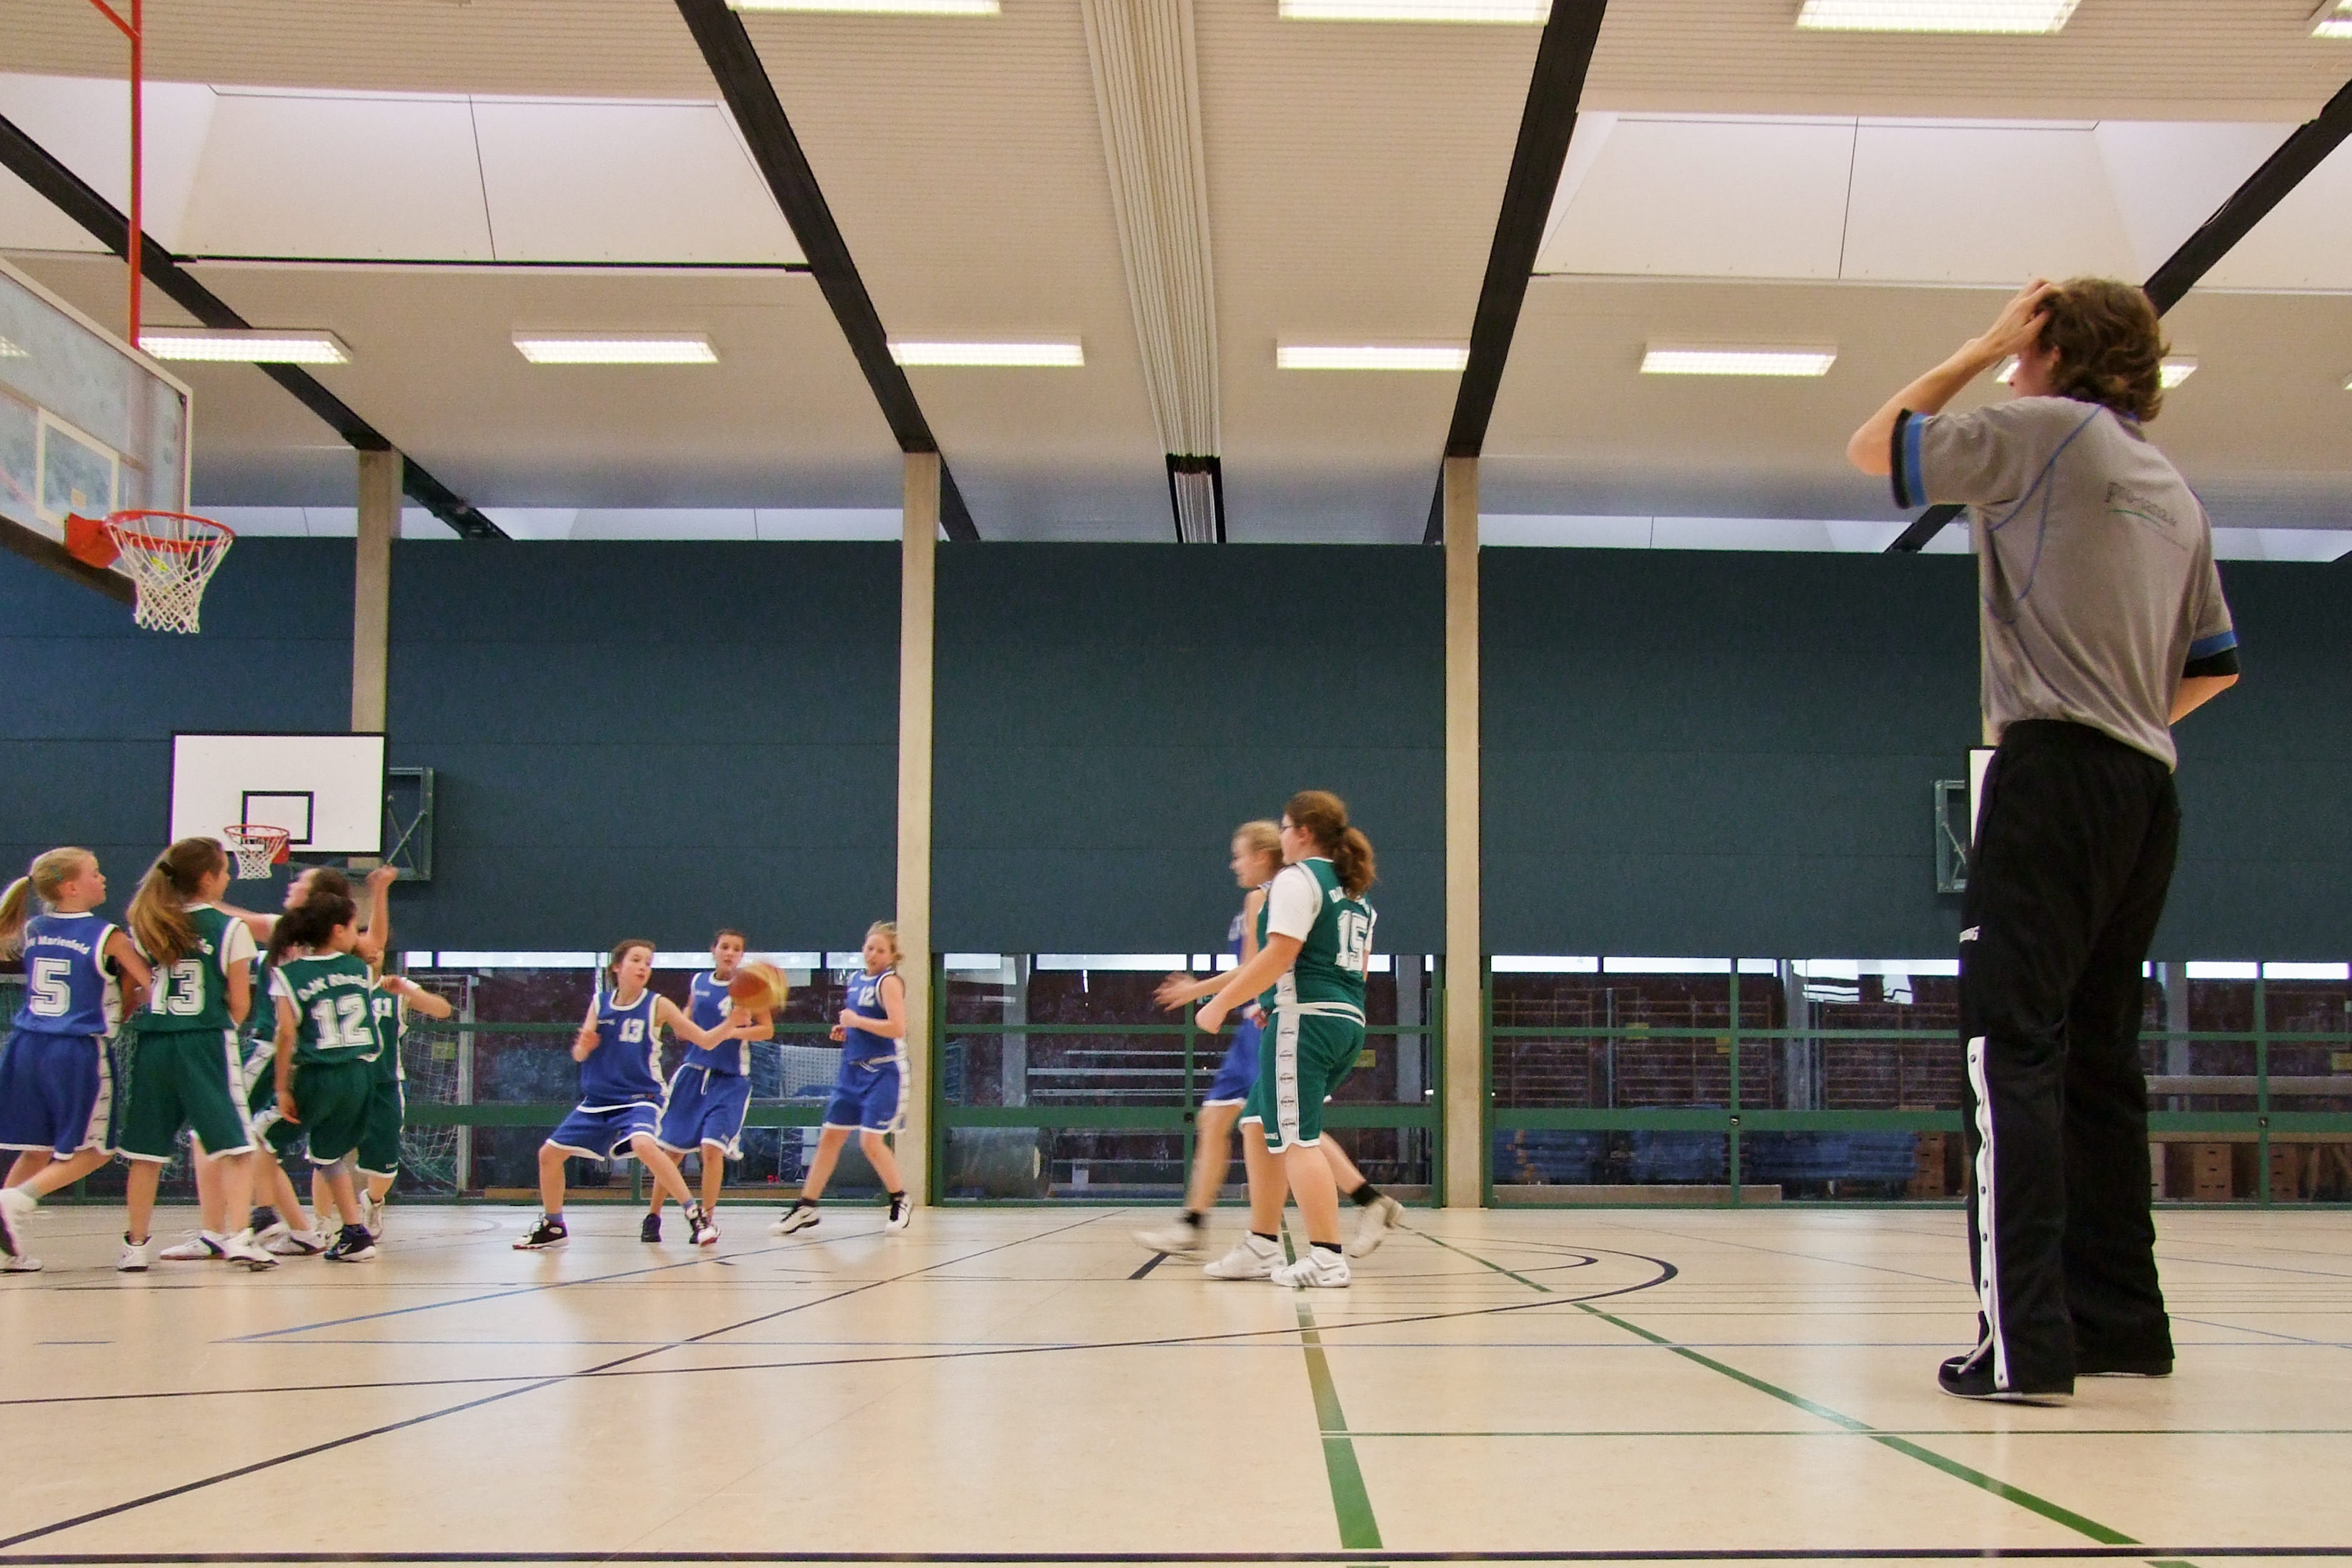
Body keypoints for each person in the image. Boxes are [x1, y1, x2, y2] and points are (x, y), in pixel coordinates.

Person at [1847, 276, 2239, 1403]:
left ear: (2055, 350)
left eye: (2030, 346)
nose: (2018, 365)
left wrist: (1978, 345)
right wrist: (2125, 717)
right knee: (2100, 1061)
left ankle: (2021, 1339)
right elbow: (2214, 666)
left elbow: (1876, 446)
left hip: (2054, 769)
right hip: (2145, 787)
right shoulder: (2174, 489)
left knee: (2006, 1044)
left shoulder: (2042, 428)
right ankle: (2121, 1325)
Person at [1133, 822, 1402, 1260]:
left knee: (1281, 1124)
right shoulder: (1310, 891)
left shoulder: (1269, 894)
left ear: (1262, 856)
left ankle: (1326, 1231)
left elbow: (1262, 963)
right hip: (1279, 1014)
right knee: (1250, 1122)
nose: (1233, 864)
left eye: (1238, 855)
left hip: (1273, 1021)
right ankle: (1228, 1229)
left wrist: (1204, 993)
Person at [1190, 792, 1379, 1289]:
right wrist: (1271, 1001)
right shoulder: (1354, 892)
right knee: (1256, 1123)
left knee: (1297, 1138)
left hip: (1307, 1022)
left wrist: (1219, 1003)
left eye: (1285, 827)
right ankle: (1261, 1244)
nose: (1282, 836)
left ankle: (1327, 1257)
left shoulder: (1298, 879)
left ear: (1304, 832)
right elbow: (1355, 969)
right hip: (1344, 1019)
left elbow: (1278, 955)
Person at [513, 939, 751, 1251]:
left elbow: (704, 1041)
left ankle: (695, 1216)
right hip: (599, 1100)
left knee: (644, 1144)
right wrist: (583, 1046)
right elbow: (580, 1055)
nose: (643, 967)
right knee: (549, 1155)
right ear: (617, 967)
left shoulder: (658, 1004)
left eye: (648, 963)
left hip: (641, 1097)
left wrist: (730, 1024)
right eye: (636, 960)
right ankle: (554, 1226)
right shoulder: (600, 1003)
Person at [113, 838, 276, 1271]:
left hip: (154, 1043)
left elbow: (133, 990)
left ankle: (135, 1246)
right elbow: (240, 1003)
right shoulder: (231, 929)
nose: (229, 878)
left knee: (146, 1153)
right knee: (236, 1146)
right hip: (205, 1042)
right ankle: (239, 1238)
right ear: (207, 878)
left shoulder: (147, 925)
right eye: (225, 871)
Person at [0, 849, 152, 1270]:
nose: (103, 879)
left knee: (35, 1149)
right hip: (77, 1050)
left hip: (26, 1045)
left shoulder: (33, 928)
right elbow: (149, 985)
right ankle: (16, 1198)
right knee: (98, 1150)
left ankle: (5, 1248)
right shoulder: (108, 935)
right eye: (95, 873)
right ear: (70, 887)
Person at [262, 894, 385, 1262]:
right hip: (361, 1075)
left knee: (256, 1140)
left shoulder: (289, 974)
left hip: (320, 1073)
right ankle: (355, 1234)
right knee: (329, 1155)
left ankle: (258, 1217)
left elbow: (286, 1034)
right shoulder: (359, 969)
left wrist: (282, 1086)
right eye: (354, 927)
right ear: (337, 931)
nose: (358, 935)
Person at [772, 923, 912, 1237]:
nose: (873, 954)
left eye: (881, 950)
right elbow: (862, 1025)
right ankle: (807, 1206)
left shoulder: (889, 982)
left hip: (883, 1071)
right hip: (851, 1070)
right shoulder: (856, 980)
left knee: (870, 1142)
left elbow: (897, 1028)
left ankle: (900, 1198)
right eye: (870, 947)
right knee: (830, 1139)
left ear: (892, 956)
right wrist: (847, 1030)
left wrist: (857, 1021)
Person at [647, 929, 774, 1245]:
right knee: (671, 1152)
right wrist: (684, 1022)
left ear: (742, 955)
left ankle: (706, 1219)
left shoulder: (749, 988)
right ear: (713, 950)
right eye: (725, 947)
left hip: (730, 1079)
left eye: (736, 949)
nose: (730, 953)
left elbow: (767, 1030)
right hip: (694, 1073)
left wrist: (734, 1032)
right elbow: (686, 1020)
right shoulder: (699, 982)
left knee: (712, 1149)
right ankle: (653, 1216)